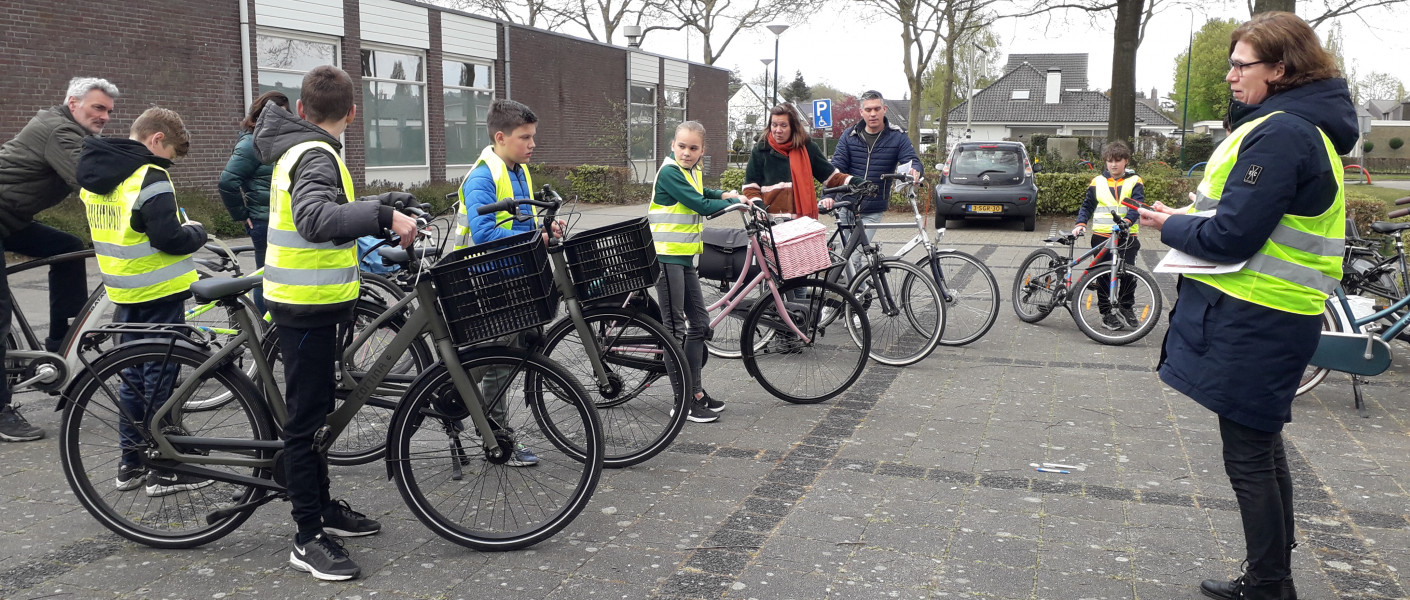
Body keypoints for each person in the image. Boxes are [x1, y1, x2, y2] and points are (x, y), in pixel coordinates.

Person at [1136, 12, 1356, 600]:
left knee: (1250, 457)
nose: (1231, 76)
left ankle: (1268, 585)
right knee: (1261, 444)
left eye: (1242, 65)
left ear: (1280, 69)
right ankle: (1269, 578)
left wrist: (1172, 226)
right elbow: (1248, 217)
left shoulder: (1283, 133)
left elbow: (1232, 237)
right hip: (1272, 314)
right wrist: (1184, 218)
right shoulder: (1299, 127)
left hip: (1259, 316)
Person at [253, 65, 418, 581]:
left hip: (317, 305)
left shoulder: (302, 148)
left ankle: (322, 509)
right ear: (352, 112)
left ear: (302, 110)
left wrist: (384, 203)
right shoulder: (316, 153)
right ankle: (305, 538)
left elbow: (330, 207)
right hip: (304, 308)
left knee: (318, 412)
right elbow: (316, 219)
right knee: (303, 424)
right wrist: (382, 218)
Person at [77, 106, 213, 496]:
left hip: (123, 292)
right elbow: (168, 238)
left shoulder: (98, 176)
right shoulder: (149, 176)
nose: (168, 164)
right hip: (159, 292)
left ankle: (131, 463)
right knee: (160, 378)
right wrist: (197, 232)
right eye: (169, 155)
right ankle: (165, 467)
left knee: (133, 378)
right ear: (156, 140)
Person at [0, 76, 117, 442]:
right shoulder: (58, 132)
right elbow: (91, 181)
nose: (104, 117)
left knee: (67, 248)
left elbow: (106, 161)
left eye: (109, 111)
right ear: (73, 103)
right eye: (97, 108)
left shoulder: (74, 133)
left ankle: (59, 346)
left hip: (9, 220)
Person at [456, 98, 565, 465]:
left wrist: (545, 227)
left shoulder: (516, 168)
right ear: (500, 137)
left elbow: (519, 222)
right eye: (525, 137)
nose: (532, 144)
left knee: (505, 357)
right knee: (497, 363)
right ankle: (496, 438)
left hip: (516, 276)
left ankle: (460, 396)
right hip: (491, 281)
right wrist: (536, 239)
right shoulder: (483, 177)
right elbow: (486, 234)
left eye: (533, 137)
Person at [648, 121, 742, 423]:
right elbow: (699, 203)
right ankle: (683, 403)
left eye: (693, 148)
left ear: (703, 150)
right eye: (682, 146)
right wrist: (732, 205)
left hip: (685, 257)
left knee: (700, 324)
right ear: (673, 146)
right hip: (665, 257)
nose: (687, 152)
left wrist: (725, 194)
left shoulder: (692, 171)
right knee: (674, 329)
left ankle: (696, 392)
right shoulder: (669, 172)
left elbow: (701, 190)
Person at [218, 90, 290, 315]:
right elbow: (227, 181)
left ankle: (268, 330)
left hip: (277, 220)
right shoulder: (251, 144)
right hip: (263, 221)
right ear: (261, 115)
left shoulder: (272, 142)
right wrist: (242, 214)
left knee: (275, 277)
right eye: (279, 115)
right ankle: (264, 332)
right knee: (265, 278)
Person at [825, 90, 921, 250]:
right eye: (868, 110)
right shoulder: (849, 136)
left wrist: (915, 171)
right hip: (846, 204)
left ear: (885, 109)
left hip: (873, 208)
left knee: (856, 255)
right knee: (845, 259)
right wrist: (828, 196)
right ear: (861, 112)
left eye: (877, 109)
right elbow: (837, 167)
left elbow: (912, 161)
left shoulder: (897, 137)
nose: (873, 114)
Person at [1072, 141, 1144, 331]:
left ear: (1126, 161)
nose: (1113, 165)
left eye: (1118, 161)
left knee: (1128, 275)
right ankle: (1106, 314)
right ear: (1105, 162)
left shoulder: (1135, 180)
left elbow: (1137, 205)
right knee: (1102, 277)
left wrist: (1127, 222)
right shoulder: (1097, 181)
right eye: (1110, 161)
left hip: (1127, 237)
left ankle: (1126, 307)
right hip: (1101, 237)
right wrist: (1080, 223)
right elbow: (1087, 205)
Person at [742, 103, 850, 218]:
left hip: (801, 223)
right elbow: (750, 186)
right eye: (774, 125)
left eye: (783, 125)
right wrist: (758, 207)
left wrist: (855, 182)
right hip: (770, 222)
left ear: (793, 127)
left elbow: (831, 177)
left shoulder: (808, 148)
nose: (778, 130)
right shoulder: (760, 149)